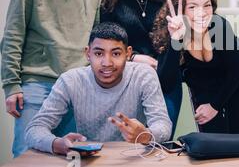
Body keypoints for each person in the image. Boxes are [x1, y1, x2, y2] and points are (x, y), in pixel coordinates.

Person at [1, 0, 103, 157]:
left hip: (77, 87)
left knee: (71, 157)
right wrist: (11, 85)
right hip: (37, 83)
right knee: (28, 156)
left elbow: (94, 43)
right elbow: (13, 35)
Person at [25, 22, 172, 155]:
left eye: (116, 53)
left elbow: (163, 125)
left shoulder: (144, 75)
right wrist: (57, 144)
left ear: (128, 53)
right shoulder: (70, 80)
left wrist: (145, 134)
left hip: (132, 158)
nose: (107, 62)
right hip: (88, 160)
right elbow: (35, 128)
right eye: (98, 53)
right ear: (87, 54)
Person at [101, 0, 182, 139]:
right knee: (130, 143)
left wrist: (181, 34)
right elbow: (106, 43)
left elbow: (180, 41)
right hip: (129, 84)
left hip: (167, 83)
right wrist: (134, 57)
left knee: (161, 141)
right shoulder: (112, 1)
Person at [152, 0, 239, 133]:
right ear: (181, 10)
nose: (202, 13)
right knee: (211, 133)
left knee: (235, 131)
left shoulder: (219, 25)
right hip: (201, 77)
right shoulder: (175, 30)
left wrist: (215, 106)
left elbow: (237, 70)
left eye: (206, 5)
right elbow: (165, 83)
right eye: (193, 7)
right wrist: (176, 39)